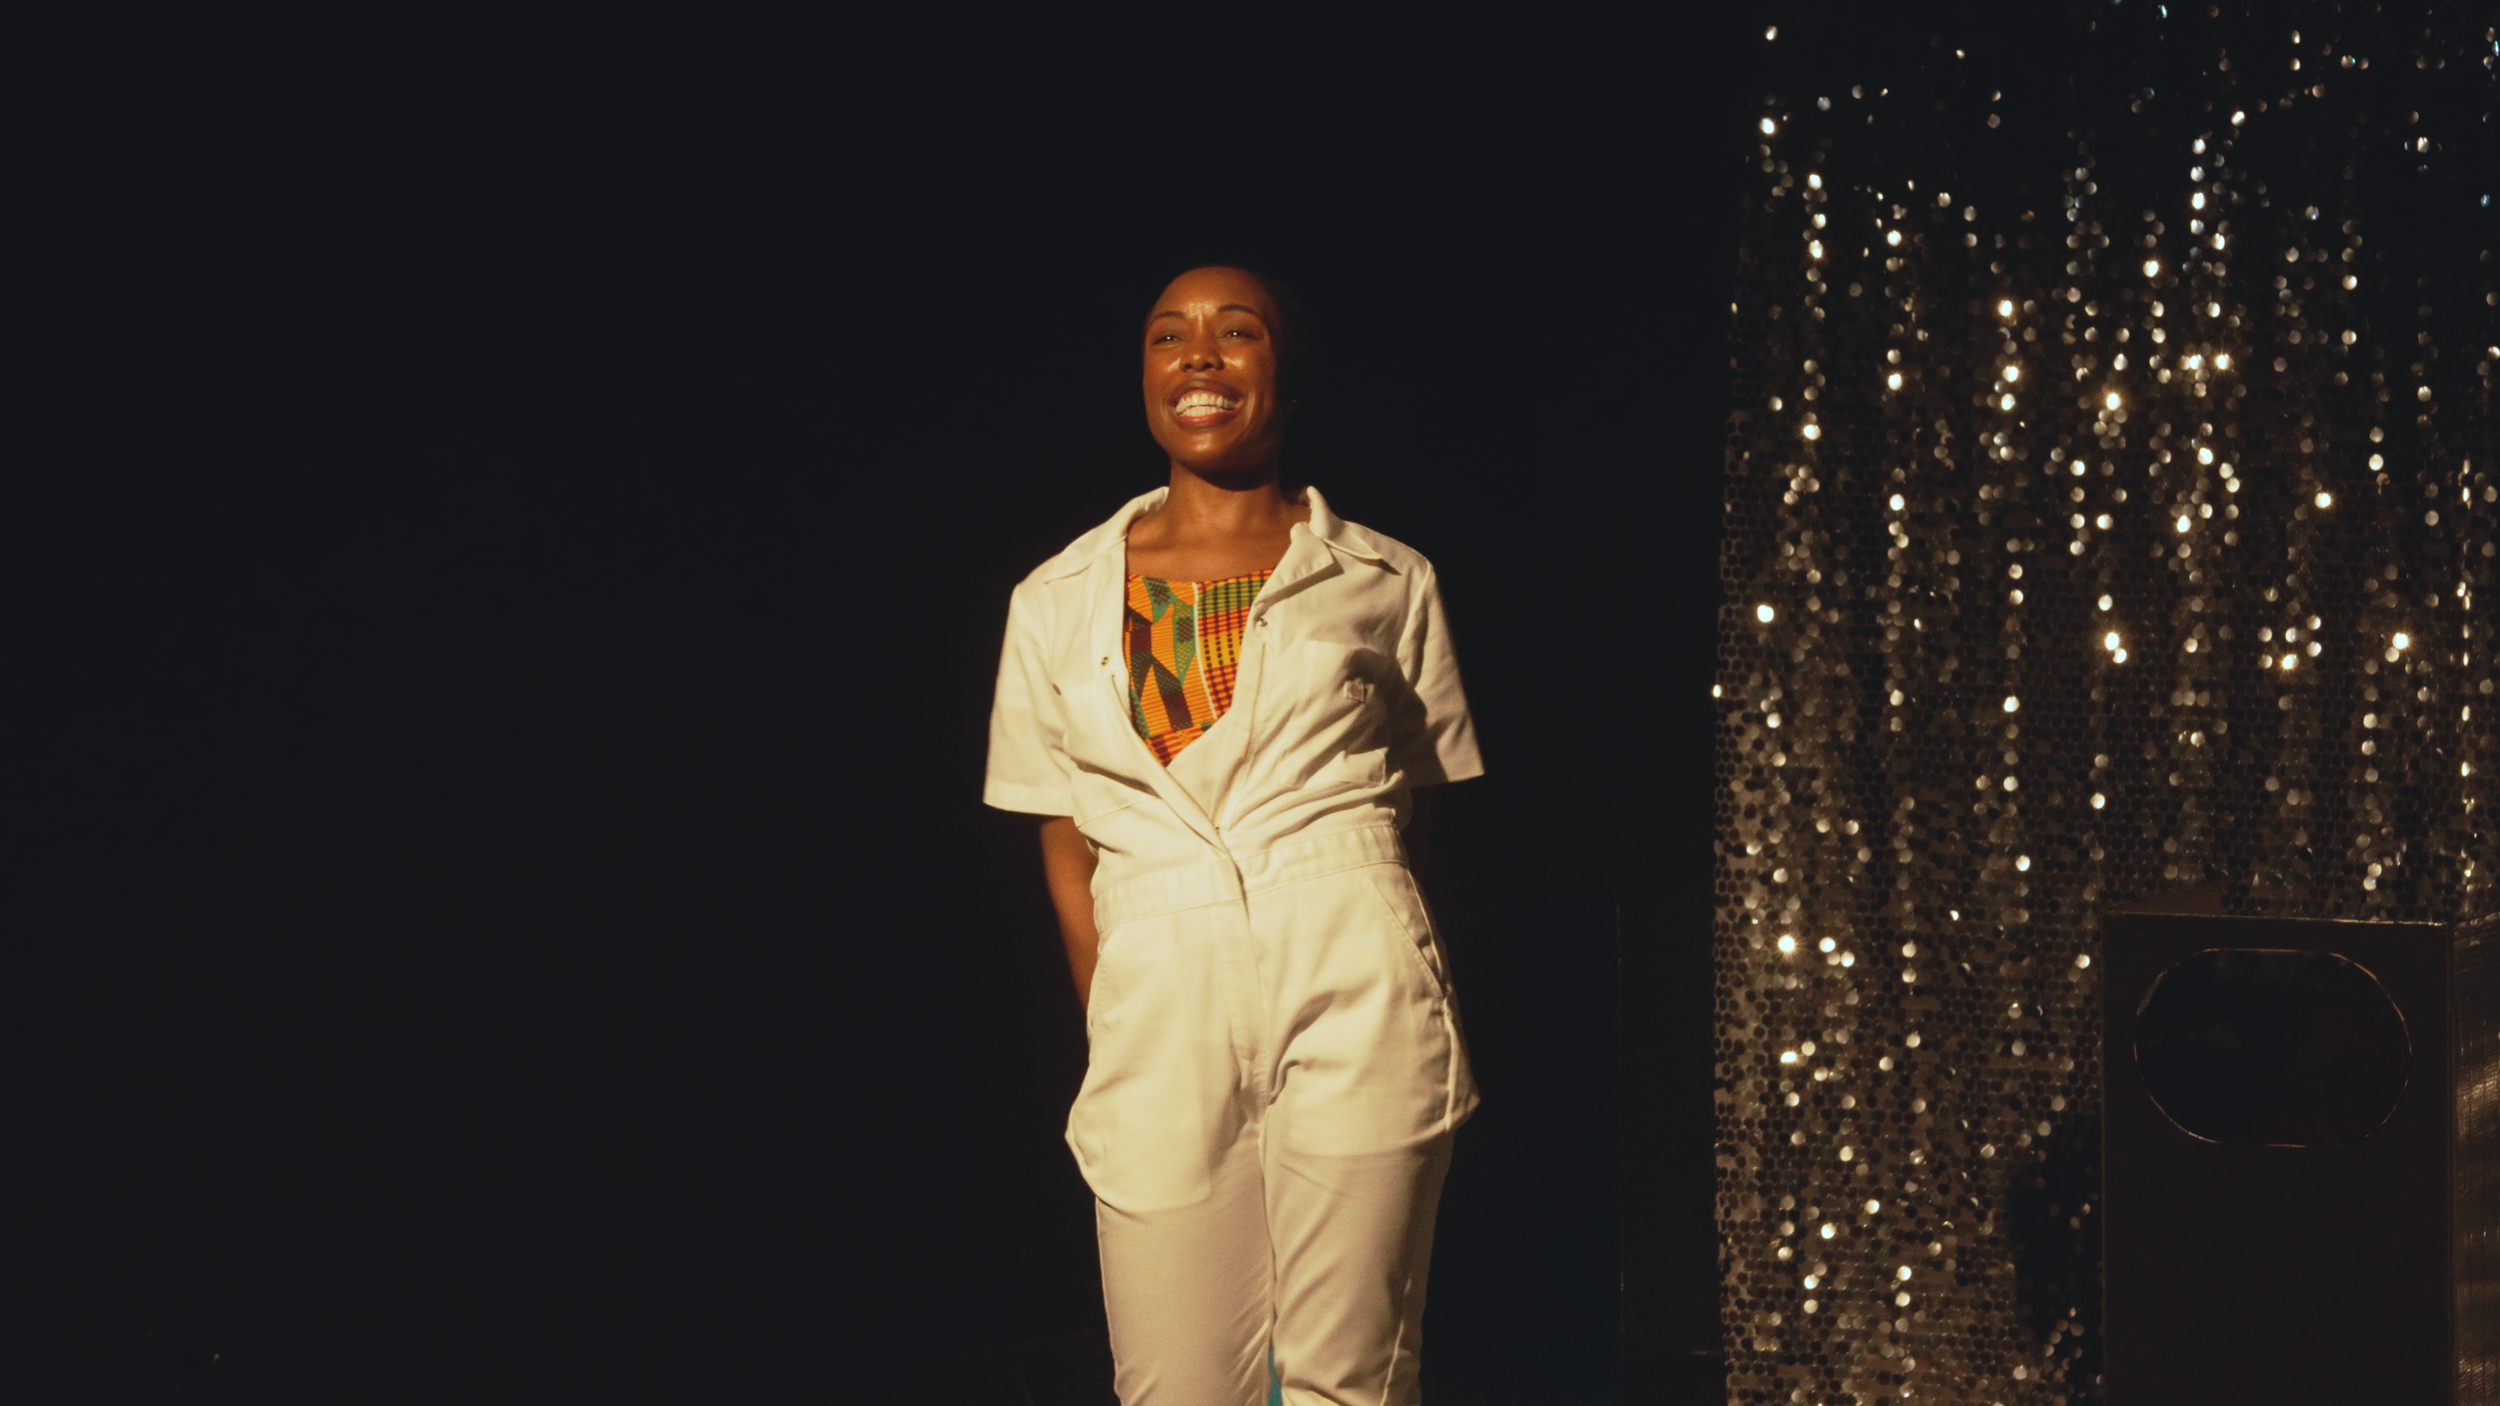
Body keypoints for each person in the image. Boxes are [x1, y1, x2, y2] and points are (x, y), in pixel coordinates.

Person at [982, 264, 1485, 1404]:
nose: (1199, 356)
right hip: (1157, 990)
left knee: (1348, 1381)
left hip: (1353, 966)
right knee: (1173, 1386)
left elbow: (1429, 797)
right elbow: (1060, 829)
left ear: (1286, 375)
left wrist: (1377, 938)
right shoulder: (1052, 597)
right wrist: (1121, 1001)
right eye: (1169, 336)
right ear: (1145, 377)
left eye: (1235, 332)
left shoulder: (1386, 579)